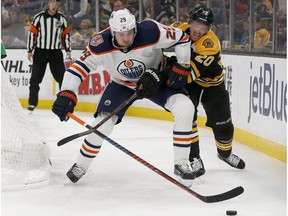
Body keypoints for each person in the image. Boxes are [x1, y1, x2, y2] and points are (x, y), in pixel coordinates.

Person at [52, 8, 196, 186]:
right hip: (122, 84)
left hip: (155, 78)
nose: (126, 38)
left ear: (135, 28)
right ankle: (81, 165)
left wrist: (183, 64)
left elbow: (182, 37)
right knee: (102, 125)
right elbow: (78, 68)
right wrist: (67, 92)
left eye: (129, 32)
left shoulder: (151, 31)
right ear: (112, 32)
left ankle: (181, 162)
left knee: (185, 107)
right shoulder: (100, 43)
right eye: (121, 34)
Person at [170, 6, 245, 179]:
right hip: (192, 85)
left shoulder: (210, 44)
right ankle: (194, 157)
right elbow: (157, 34)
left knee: (224, 127)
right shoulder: (178, 29)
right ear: (189, 22)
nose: (198, 30)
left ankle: (225, 154)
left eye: (203, 27)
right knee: (188, 117)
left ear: (209, 29)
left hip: (212, 84)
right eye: (196, 25)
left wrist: (165, 76)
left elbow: (188, 75)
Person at [26, 0, 71, 112]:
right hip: (40, 52)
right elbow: (32, 34)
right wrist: (30, 50)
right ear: (48, 4)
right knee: (35, 79)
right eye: (52, 3)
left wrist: (68, 50)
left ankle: (64, 103)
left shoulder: (62, 19)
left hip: (55, 52)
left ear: (58, 5)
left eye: (56, 3)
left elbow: (65, 35)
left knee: (62, 79)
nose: (54, 5)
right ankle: (32, 103)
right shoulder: (39, 17)